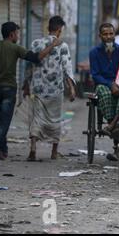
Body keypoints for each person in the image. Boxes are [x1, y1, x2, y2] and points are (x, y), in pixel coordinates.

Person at [0, 22, 63, 160]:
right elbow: (36, 58)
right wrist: (52, 45)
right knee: (5, 121)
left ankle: (2, 149)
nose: (18, 36)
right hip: (9, 89)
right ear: (11, 34)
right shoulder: (16, 48)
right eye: (17, 33)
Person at [23, 16, 77, 161]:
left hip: (38, 88)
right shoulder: (62, 46)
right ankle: (54, 152)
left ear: (48, 28)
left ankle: (33, 148)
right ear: (60, 30)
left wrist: (26, 85)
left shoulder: (35, 44)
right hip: (55, 90)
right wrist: (71, 88)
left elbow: (28, 66)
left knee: (36, 118)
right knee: (55, 120)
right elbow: (67, 68)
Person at [89, 23, 119, 161]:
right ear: (100, 36)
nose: (108, 37)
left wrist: (117, 84)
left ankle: (112, 126)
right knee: (104, 93)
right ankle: (113, 124)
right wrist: (110, 84)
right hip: (103, 84)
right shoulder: (94, 53)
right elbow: (95, 74)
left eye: (111, 34)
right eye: (105, 34)